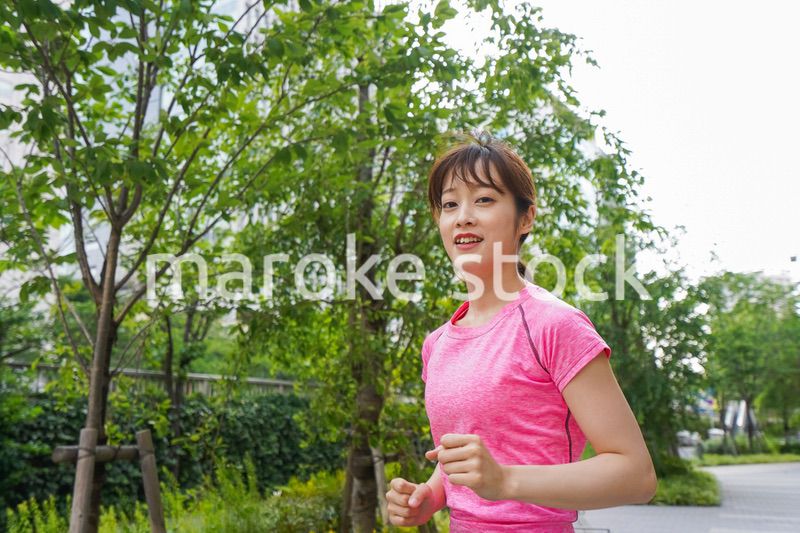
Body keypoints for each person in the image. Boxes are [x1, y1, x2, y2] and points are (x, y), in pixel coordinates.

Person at [385, 129, 657, 532]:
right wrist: (431, 495)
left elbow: (636, 476)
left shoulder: (555, 325)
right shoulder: (437, 344)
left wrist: (506, 480)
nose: (464, 216)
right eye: (449, 204)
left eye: (484, 200)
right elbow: (469, 462)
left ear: (525, 217)